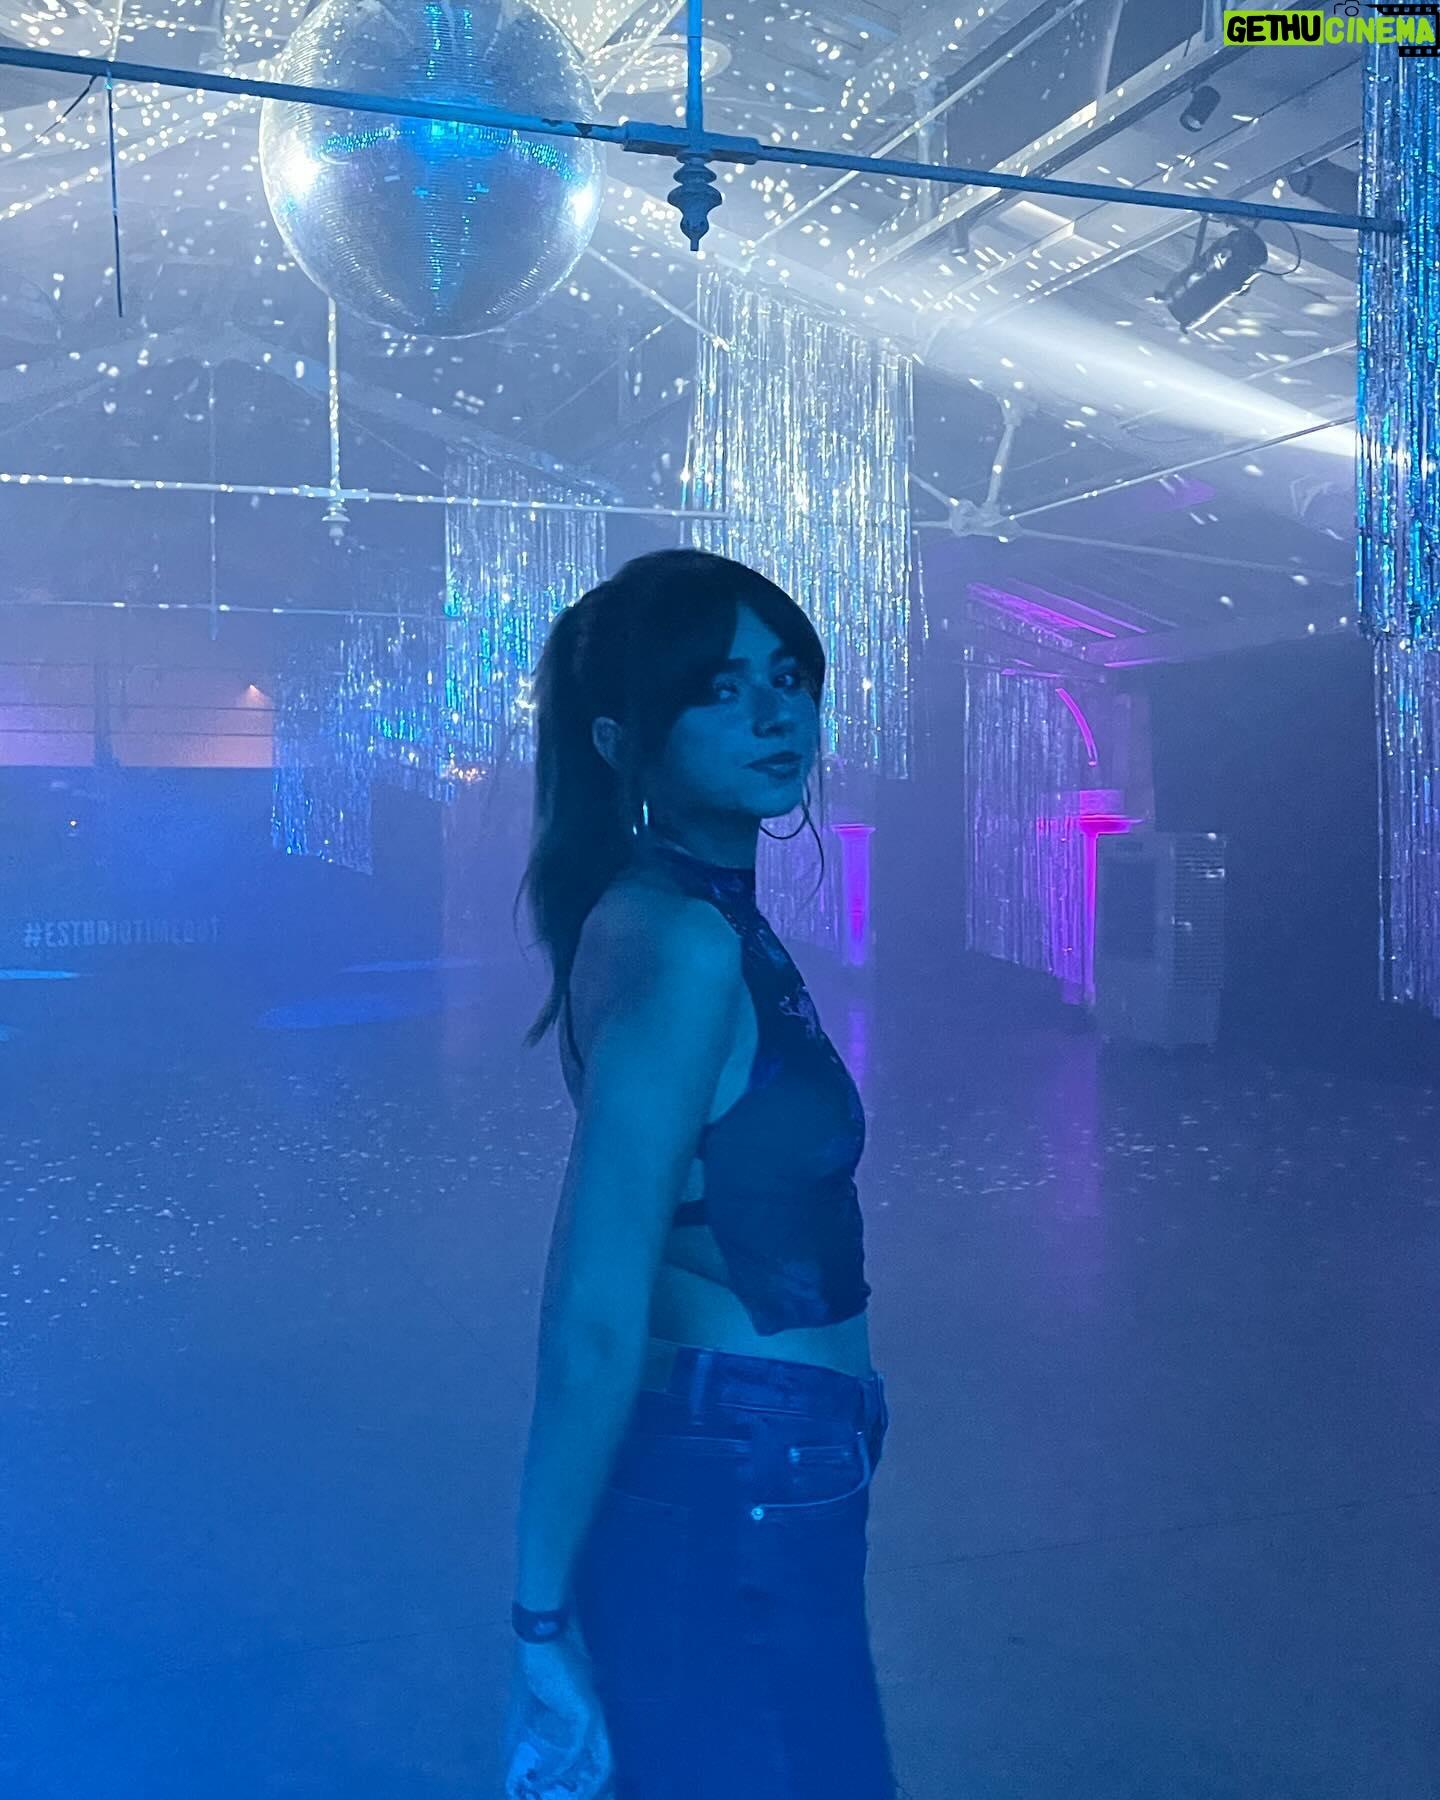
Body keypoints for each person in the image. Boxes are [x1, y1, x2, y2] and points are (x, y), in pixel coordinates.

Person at [503, 548, 895, 1800]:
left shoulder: (700, 914)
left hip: (768, 1458)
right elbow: (593, 1310)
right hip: (735, 1471)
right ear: (625, 740)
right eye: (719, 690)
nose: (777, 714)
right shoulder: (677, 940)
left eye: (787, 676)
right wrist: (537, 1624)